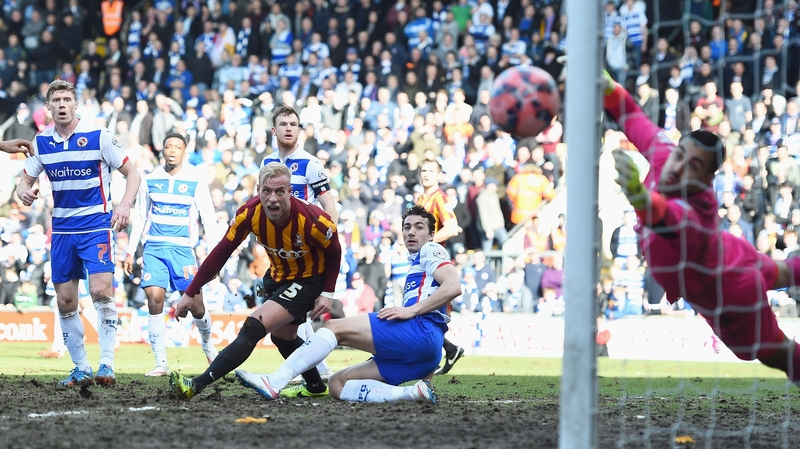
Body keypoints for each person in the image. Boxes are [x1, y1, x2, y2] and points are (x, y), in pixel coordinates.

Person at [605, 70, 800, 385]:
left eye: (693, 166)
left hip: (733, 291)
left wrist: (639, 196)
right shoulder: (664, 155)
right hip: (733, 253)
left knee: (774, 353)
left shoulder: (701, 209)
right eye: (681, 155)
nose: (679, 167)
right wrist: (606, 85)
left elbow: (669, 218)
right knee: (789, 272)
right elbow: (632, 118)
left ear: (707, 180)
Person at [235, 205, 461, 403]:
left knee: (333, 328)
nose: (411, 231)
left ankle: (274, 381)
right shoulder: (418, 263)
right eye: (407, 227)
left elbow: (453, 286)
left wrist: (410, 310)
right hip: (427, 354)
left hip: (419, 332)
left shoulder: (431, 249)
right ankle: (412, 393)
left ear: (432, 235)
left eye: (419, 227)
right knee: (337, 385)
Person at [169, 162, 340, 400]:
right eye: (267, 191)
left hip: (309, 279)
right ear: (258, 189)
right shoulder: (249, 213)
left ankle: (196, 384)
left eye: (280, 191)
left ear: (290, 192)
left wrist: (328, 292)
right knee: (282, 338)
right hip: (278, 276)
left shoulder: (312, 220)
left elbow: (334, 250)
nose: (272, 199)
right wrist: (191, 291)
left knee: (253, 326)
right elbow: (221, 252)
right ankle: (315, 386)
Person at [16, 80, 141, 387]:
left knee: (100, 291)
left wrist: (124, 205)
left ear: (75, 105)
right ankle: (81, 368)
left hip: (95, 227)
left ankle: (107, 365)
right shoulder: (42, 141)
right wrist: (24, 192)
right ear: (48, 107)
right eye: (55, 100)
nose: (61, 104)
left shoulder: (98, 135)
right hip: (61, 232)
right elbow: (25, 180)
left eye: (66, 99)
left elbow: (133, 173)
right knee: (66, 301)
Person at [124, 132, 219, 377]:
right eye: (168, 146)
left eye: (178, 147)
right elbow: (141, 217)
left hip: (182, 251)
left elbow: (209, 219)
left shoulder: (196, 181)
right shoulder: (150, 180)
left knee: (197, 308)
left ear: (184, 152)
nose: (173, 150)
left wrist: (215, 255)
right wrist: (130, 251)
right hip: (154, 249)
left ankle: (208, 345)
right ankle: (161, 364)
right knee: (154, 300)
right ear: (162, 151)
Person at [261, 105, 337, 381]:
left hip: (306, 251)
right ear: (274, 130)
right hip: (281, 253)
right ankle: (318, 370)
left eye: (294, 123)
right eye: (284, 124)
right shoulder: (267, 164)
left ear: (300, 129)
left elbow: (329, 206)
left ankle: (314, 370)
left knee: (294, 313)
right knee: (295, 316)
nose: (289, 128)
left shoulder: (311, 164)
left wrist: (326, 241)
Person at [416, 159, 466, 376]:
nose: (426, 174)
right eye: (423, 170)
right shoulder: (421, 198)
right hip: (423, 262)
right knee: (422, 310)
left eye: (431, 171)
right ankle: (447, 349)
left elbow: (453, 227)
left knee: (424, 309)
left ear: (438, 175)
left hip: (434, 263)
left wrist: (429, 241)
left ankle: (440, 353)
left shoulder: (439, 198)